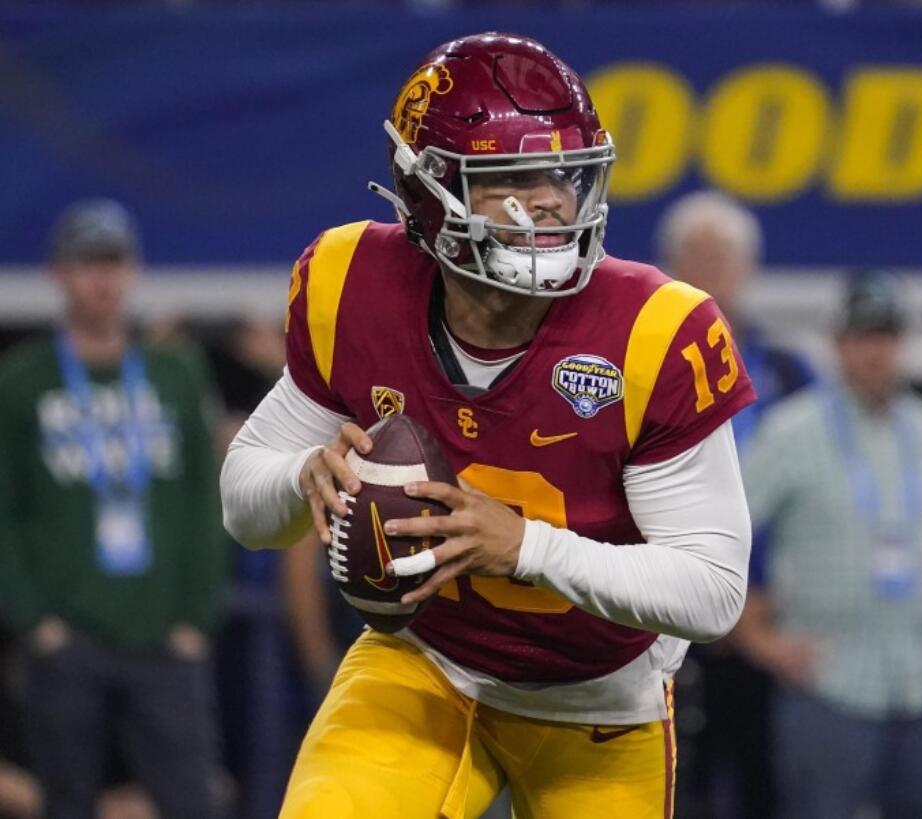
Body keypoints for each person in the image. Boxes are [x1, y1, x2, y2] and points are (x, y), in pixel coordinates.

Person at [220, 33, 755, 818]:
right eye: (511, 177)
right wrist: (303, 476)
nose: (549, 199)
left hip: (599, 701)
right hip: (425, 665)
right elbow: (244, 506)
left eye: (565, 175)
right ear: (429, 194)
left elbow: (713, 591)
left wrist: (525, 545)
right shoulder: (353, 283)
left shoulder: (654, 329)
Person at [733, 270, 922, 819]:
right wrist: (754, 635)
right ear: (838, 343)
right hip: (827, 677)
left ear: (902, 344)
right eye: (862, 338)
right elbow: (729, 530)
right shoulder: (790, 432)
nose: (874, 353)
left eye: (885, 338)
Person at [0, 199, 228, 819]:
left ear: (134, 270)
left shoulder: (175, 373)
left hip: (165, 637)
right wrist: (34, 620)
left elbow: (202, 503)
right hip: (67, 638)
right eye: (86, 264)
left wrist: (194, 616)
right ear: (58, 274)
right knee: (65, 802)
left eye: (113, 263)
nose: (102, 279)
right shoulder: (22, 381)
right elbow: (6, 509)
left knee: (191, 802)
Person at [656, 190, 816, 819]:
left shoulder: (790, 370)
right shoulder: (635, 362)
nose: (710, 271)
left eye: (723, 258)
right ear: (667, 267)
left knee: (764, 778)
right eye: (694, 256)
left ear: (749, 269)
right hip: (665, 603)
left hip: (771, 611)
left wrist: (765, 598)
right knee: (673, 777)